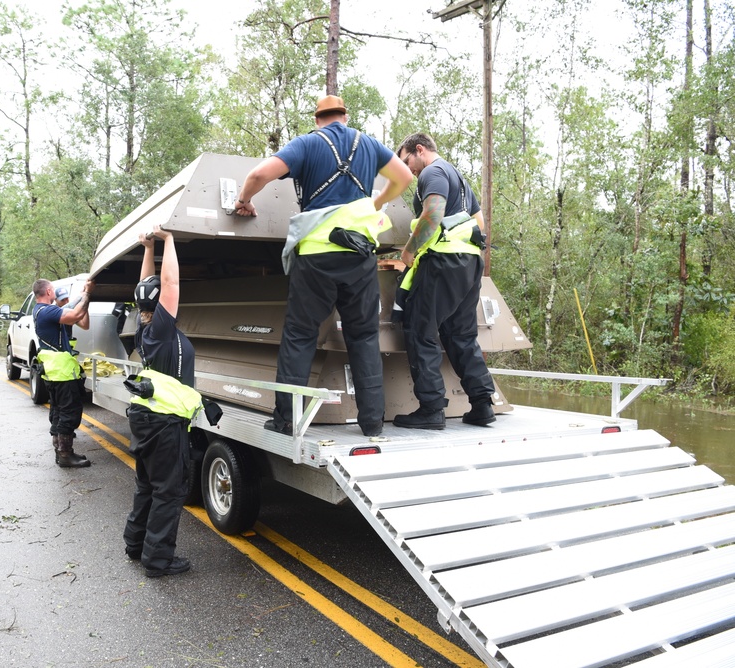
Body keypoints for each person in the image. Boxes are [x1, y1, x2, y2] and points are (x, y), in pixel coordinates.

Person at [234, 95, 412, 437]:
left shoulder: (306, 144)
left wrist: (244, 201)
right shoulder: (368, 144)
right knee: (363, 337)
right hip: (359, 255)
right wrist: (374, 203)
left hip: (316, 255)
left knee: (300, 337)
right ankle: (373, 423)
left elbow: (259, 174)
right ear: (344, 117)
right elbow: (403, 177)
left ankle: (287, 420)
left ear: (318, 119)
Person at [392, 132, 496, 430]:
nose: (408, 170)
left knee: (420, 330)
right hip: (470, 261)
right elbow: (479, 223)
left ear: (419, 150)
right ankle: (482, 404)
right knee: (460, 334)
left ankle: (431, 409)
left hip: (443, 262)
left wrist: (409, 252)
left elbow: (433, 213)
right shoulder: (459, 178)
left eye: (407, 161)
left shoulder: (433, 172)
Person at [123, 225, 202, 578]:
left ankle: (136, 545)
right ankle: (158, 561)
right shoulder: (161, 330)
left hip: (148, 420)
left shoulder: (144, 327)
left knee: (147, 486)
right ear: (161, 305)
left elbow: (148, 286)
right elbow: (168, 285)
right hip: (166, 424)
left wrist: (148, 247)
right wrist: (169, 240)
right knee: (169, 492)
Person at [32, 278, 93, 467]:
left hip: (55, 371)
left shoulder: (40, 311)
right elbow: (75, 312)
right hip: (61, 372)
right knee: (69, 412)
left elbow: (79, 317)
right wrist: (87, 294)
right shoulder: (47, 310)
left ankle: (61, 452)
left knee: (58, 411)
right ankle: (65, 455)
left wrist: (85, 298)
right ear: (49, 291)